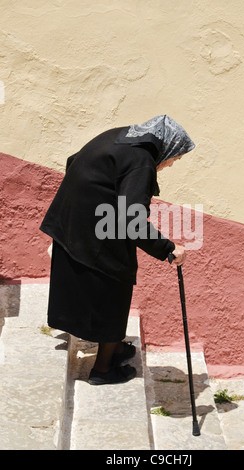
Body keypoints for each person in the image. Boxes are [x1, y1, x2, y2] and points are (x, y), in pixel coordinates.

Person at [39, 115, 195, 385]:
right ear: (167, 146)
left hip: (71, 218)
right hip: (95, 228)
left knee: (103, 284)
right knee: (115, 286)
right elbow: (131, 220)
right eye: (174, 158)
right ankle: (103, 369)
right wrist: (168, 248)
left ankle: (115, 346)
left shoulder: (121, 136)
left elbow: (73, 161)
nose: (170, 164)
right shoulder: (142, 161)